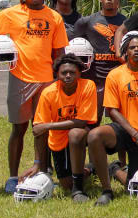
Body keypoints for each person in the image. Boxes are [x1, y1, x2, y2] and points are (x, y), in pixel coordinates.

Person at [0, 0, 68, 193]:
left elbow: (59, 50)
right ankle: (13, 177)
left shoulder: (54, 17)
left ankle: (40, 171)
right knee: (19, 128)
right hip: (20, 79)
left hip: (46, 81)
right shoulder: (9, 14)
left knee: (40, 129)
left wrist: (59, 77)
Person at [87, 31, 138, 206]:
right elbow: (112, 110)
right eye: (132, 47)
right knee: (95, 135)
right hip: (124, 131)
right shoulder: (115, 75)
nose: (136, 50)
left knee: (136, 186)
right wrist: (135, 134)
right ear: (126, 51)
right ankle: (106, 190)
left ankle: (115, 169)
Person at [23, 54, 97, 201]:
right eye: (64, 73)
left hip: (83, 133)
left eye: (72, 72)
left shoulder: (88, 86)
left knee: (75, 134)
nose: (68, 76)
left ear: (79, 73)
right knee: (66, 185)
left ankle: (81, 184)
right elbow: (39, 130)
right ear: (57, 74)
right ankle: (89, 170)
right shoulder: (48, 93)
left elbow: (81, 122)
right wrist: (37, 164)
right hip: (58, 138)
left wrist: (48, 125)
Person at [73, 0, 126, 117]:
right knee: (92, 119)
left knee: (120, 120)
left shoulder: (127, 22)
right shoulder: (86, 22)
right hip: (94, 77)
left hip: (118, 78)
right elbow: (73, 48)